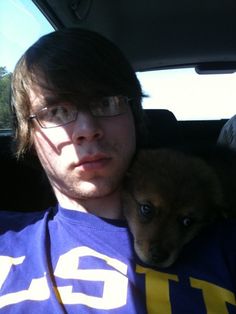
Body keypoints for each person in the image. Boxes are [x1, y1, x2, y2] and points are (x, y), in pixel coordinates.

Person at [0, 28, 235, 313]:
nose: (87, 130)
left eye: (105, 103)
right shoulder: (8, 238)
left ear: (135, 117)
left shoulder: (225, 243)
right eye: (56, 111)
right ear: (28, 134)